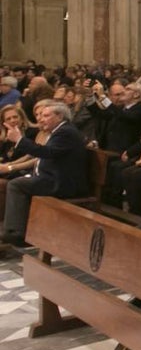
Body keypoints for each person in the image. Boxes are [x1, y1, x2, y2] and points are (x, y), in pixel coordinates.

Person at [2, 101, 89, 247]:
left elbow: (47, 153)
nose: (41, 119)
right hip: (51, 177)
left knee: (16, 184)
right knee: (15, 182)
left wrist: (19, 140)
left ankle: (17, 233)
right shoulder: (58, 131)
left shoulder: (65, 132)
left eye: (46, 115)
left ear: (60, 116)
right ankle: (11, 229)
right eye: (40, 116)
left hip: (61, 182)